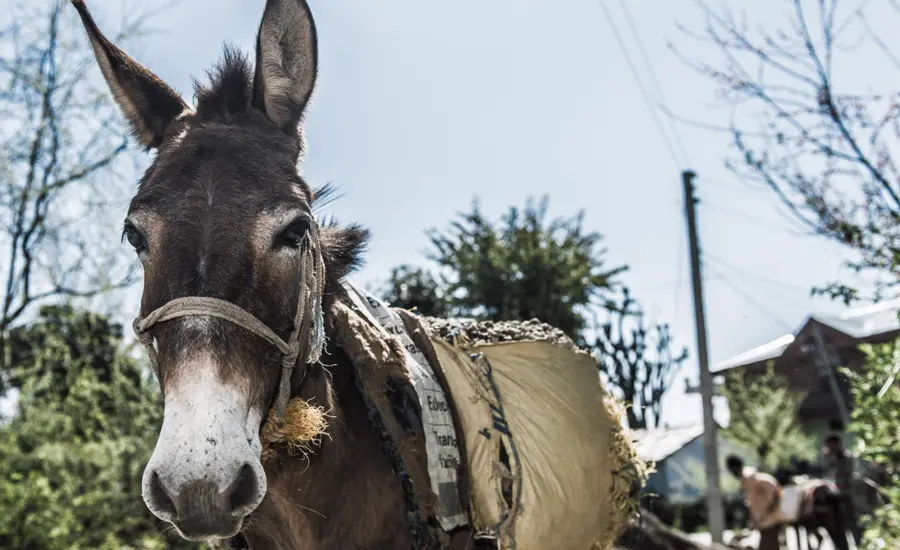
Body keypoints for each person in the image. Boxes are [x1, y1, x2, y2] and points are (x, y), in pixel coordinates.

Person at [725, 454, 787, 550]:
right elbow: (753, 501)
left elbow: (774, 490)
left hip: (770, 520)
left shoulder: (750, 477)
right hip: (764, 521)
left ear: (734, 467)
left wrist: (771, 507)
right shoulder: (746, 478)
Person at [823, 434, 861, 545]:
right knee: (838, 527)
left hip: (848, 495)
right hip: (835, 496)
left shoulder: (847, 457)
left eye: (831, 445)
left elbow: (847, 474)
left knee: (853, 523)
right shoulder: (829, 458)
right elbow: (828, 476)